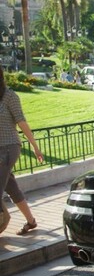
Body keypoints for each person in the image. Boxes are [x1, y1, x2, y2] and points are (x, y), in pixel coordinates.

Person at [0, 66, 44, 236]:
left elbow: (22, 122)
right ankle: (31, 221)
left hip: (9, 147)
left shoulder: (10, 96)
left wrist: (35, 146)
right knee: (11, 187)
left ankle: (4, 220)